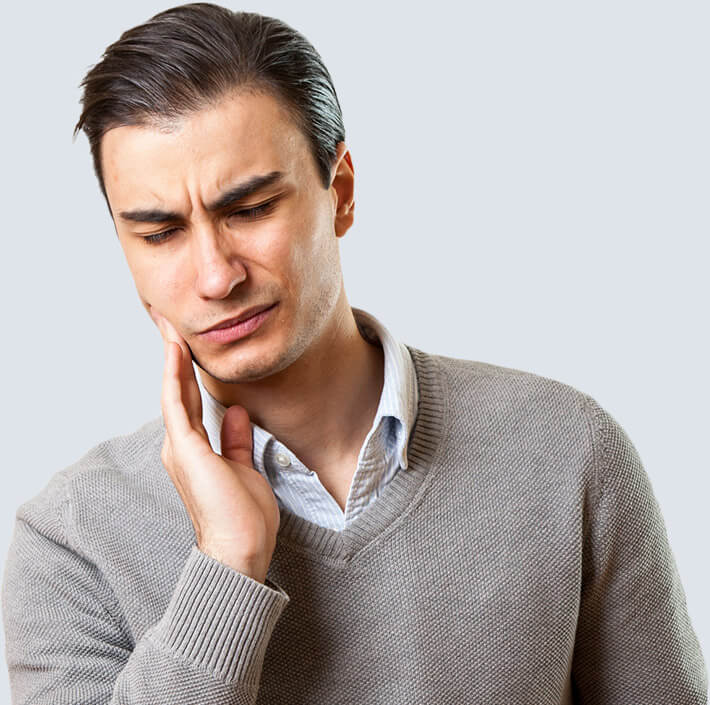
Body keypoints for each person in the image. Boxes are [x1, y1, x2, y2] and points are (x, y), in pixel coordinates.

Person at [1, 3, 707, 703]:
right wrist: (228, 562)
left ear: (339, 192)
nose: (216, 276)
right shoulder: (69, 544)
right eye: (160, 233)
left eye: (249, 209)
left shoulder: (566, 450)